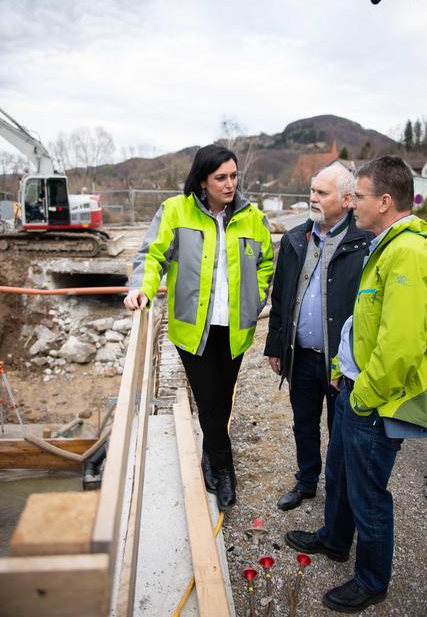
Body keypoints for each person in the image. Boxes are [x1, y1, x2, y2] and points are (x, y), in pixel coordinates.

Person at [285, 156, 427, 613]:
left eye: (360, 197)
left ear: (385, 201)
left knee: (369, 493)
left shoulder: (407, 253)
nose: (353, 204)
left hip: (374, 397)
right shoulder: (384, 245)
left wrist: (362, 395)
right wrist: (343, 369)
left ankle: (371, 580)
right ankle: (333, 539)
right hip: (352, 385)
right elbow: (364, 323)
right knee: (342, 472)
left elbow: (401, 344)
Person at [124, 144, 273, 510]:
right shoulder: (175, 211)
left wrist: (255, 301)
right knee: (208, 400)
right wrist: (140, 288)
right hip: (194, 328)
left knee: (222, 399)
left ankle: (211, 454)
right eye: (220, 177)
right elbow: (152, 254)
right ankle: (224, 469)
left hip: (235, 328)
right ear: (203, 181)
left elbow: (267, 263)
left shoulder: (253, 218)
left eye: (234, 176)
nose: (230, 184)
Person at [264, 163, 372, 511]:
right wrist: (275, 346)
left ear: (347, 199)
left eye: (321, 193)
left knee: (339, 433)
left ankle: (339, 501)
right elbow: (280, 297)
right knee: (303, 425)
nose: (313, 198)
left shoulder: (364, 244)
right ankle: (307, 483)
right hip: (302, 356)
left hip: (341, 363)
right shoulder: (296, 238)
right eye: (312, 191)